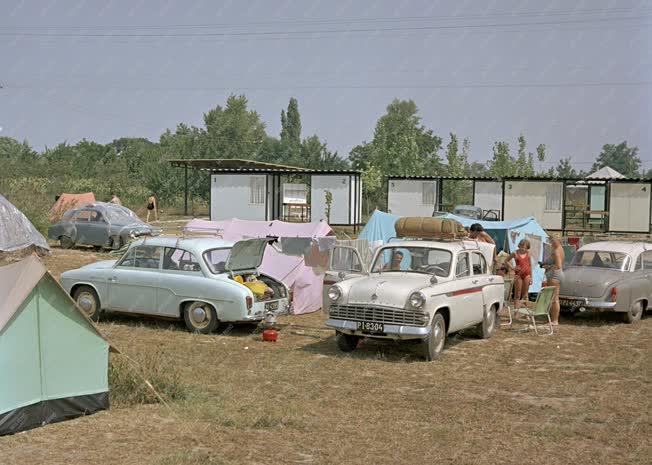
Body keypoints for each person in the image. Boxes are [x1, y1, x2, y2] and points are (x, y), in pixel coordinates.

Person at [542, 237, 565, 326]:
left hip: (554, 276)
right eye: (551, 240)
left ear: (559, 241)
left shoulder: (556, 251)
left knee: (554, 299)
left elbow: (558, 266)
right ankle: (553, 319)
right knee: (554, 298)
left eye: (554, 241)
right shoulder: (560, 249)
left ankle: (554, 320)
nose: (552, 242)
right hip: (557, 275)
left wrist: (547, 267)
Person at [507, 239, 533, 304]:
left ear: (527, 248)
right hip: (518, 275)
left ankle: (527, 313)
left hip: (527, 274)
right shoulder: (515, 253)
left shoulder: (528, 253)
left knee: (525, 295)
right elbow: (506, 261)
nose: (523, 249)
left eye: (525, 248)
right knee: (517, 294)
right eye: (522, 247)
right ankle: (516, 313)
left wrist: (531, 277)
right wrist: (513, 268)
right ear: (519, 245)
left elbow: (530, 265)